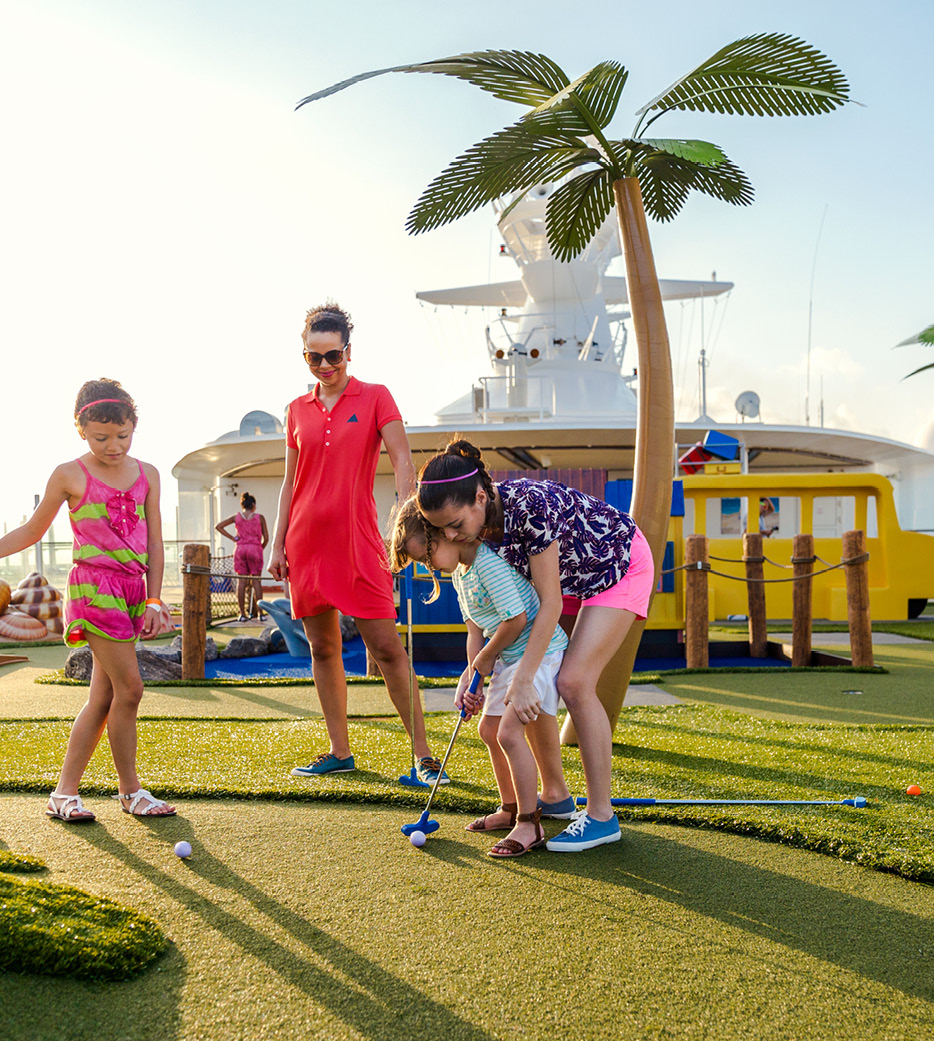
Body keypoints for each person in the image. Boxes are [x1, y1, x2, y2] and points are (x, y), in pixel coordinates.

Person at [0, 378, 176, 821]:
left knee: (105, 698)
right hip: (94, 588)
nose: (113, 445)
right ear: (81, 429)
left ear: (134, 426)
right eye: (101, 437)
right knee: (131, 688)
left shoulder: (148, 475)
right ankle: (131, 791)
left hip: (132, 589)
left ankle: (63, 793)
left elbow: (156, 543)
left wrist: (153, 599)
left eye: (122, 436)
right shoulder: (69, 474)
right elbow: (32, 530)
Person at [416, 439, 655, 852]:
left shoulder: (528, 507)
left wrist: (523, 677)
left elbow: (550, 603)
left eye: (455, 524)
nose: (451, 535)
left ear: (479, 496)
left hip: (618, 566)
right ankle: (556, 794)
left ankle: (602, 815)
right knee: (540, 683)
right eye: (442, 531)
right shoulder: (478, 527)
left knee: (574, 682)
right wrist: (482, 670)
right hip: (575, 579)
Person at [268, 302, 439, 780]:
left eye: (333, 356)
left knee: (387, 651)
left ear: (348, 351)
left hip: (359, 542)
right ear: (305, 356)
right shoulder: (295, 410)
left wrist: (410, 518)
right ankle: (339, 751)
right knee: (322, 650)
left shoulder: (376, 397)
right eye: (313, 357)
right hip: (306, 544)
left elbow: (402, 460)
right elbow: (289, 481)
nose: (324, 367)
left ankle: (423, 756)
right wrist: (276, 544)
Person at [389, 498, 574, 857]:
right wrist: (468, 676)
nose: (429, 566)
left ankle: (529, 821)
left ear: (445, 533)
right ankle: (509, 808)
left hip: (540, 652)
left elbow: (517, 619)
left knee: (507, 732)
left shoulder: (488, 564)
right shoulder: (461, 573)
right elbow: (475, 632)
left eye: (428, 555)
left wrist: (484, 661)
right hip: (508, 655)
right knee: (487, 730)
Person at [216, 492, 268, 620]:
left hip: (240, 548)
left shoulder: (236, 517)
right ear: (254, 505)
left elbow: (219, 526)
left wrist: (233, 538)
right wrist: (260, 548)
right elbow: (266, 537)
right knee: (256, 581)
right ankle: (261, 614)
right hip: (255, 548)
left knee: (241, 582)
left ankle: (242, 614)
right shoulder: (259, 518)